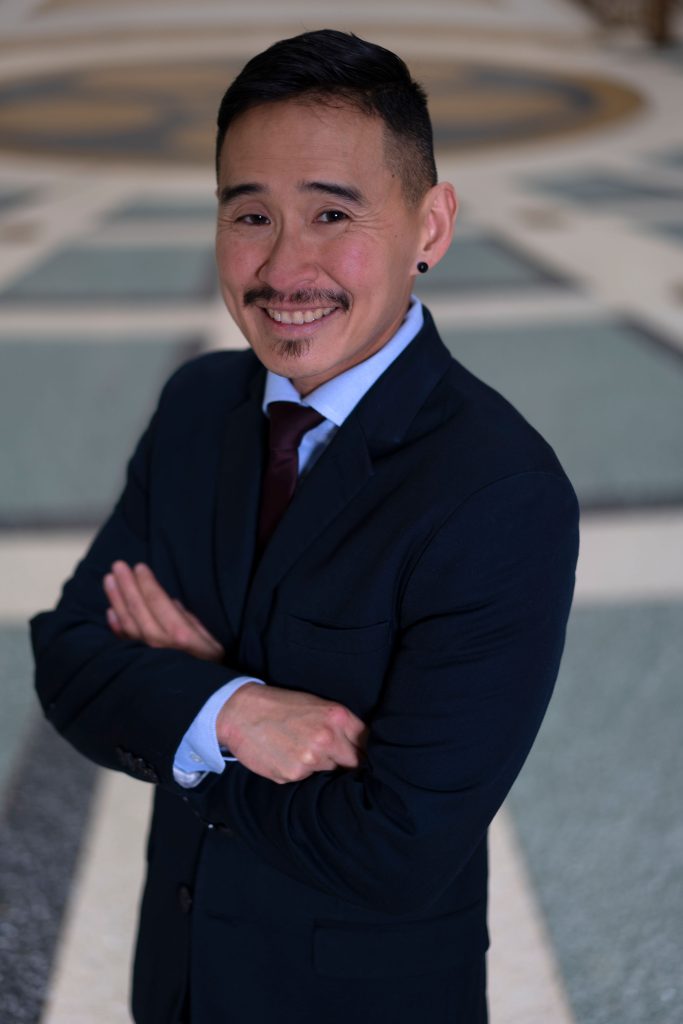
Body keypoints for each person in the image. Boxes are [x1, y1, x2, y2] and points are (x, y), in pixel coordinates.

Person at [31, 29, 579, 1024]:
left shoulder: (499, 489)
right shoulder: (200, 405)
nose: (284, 266)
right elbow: (67, 659)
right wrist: (237, 711)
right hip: (179, 983)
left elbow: (396, 847)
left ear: (431, 223)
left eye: (332, 212)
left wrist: (179, 708)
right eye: (250, 213)